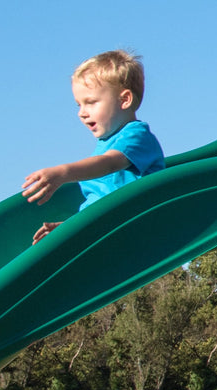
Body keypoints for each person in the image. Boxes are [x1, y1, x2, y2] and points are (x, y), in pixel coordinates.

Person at [22, 49, 164, 244]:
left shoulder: (136, 136)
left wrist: (63, 172)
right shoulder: (105, 144)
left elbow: (110, 164)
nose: (82, 113)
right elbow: (100, 200)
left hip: (131, 225)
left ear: (124, 100)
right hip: (106, 227)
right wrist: (71, 226)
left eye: (90, 102)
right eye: (78, 105)